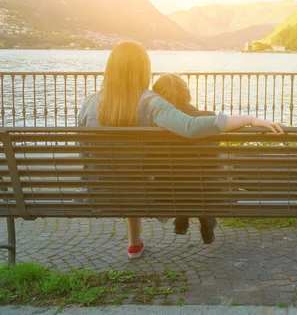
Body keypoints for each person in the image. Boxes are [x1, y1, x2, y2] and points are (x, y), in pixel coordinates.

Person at [78, 41, 284, 259]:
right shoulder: (150, 102)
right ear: (143, 69)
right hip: (142, 195)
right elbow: (191, 127)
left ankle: (134, 245)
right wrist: (249, 119)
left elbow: (84, 151)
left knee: (126, 175)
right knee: (134, 179)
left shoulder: (88, 103)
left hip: (99, 193)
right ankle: (136, 242)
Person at [151, 73, 218, 242]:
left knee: (178, 174)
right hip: (206, 187)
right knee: (201, 173)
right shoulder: (208, 116)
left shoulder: (158, 123)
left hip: (169, 190)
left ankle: (182, 215)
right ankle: (205, 217)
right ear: (187, 93)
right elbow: (214, 158)